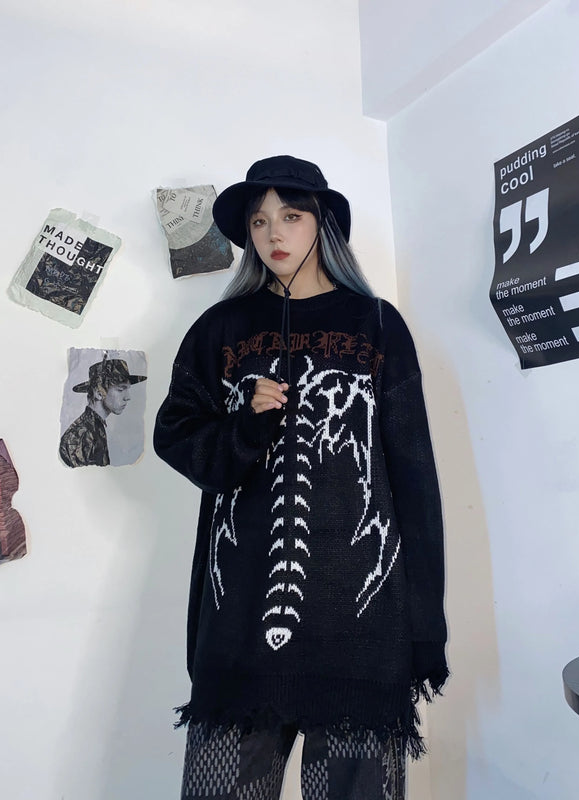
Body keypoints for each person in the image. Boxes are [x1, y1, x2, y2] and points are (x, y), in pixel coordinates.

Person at [154, 155, 448, 799]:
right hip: (241, 617)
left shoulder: (377, 325)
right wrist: (245, 427)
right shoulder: (221, 329)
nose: (273, 234)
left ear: (322, 224)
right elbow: (176, 437)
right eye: (259, 221)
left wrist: (428, 625)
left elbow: (414, 479)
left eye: (290, 216)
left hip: (360, 622)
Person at [60, 356, 147, 467]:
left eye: (127, 389)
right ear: (99, 393)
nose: (127, 397)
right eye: (121, 389)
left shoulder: (95, 427)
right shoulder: (81, 435)